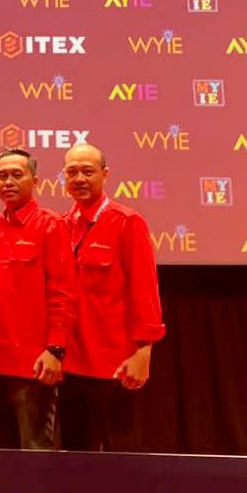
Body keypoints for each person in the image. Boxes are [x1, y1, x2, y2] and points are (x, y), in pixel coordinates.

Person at [59, 143, 165, 451]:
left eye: (88, 171)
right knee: (74, 455)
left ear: (105, 175)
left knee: (117, 457)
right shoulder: (62, 225)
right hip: (69, 362)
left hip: (113, 363)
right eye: (72, 172)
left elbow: (145, 288)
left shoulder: (126, 222)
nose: (79, 178)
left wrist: (144, 351)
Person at [0, 148, 77, 449]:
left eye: (16, 175)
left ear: (35, 181)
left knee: (36, 453)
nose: (8, 182)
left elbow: (63, 292)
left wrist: (55, 350)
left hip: (33, 367)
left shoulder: (50, 225)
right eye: (2, 176)